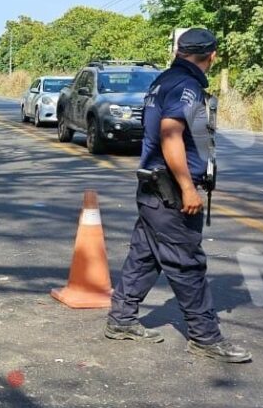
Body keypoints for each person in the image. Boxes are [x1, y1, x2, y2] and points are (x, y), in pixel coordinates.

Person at [104, 28, 251, 363]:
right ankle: (205, 337)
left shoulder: (163, 81)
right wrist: (187, 187)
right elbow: (171, 136)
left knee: (145, 255)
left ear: (179, 51)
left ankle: (121, 319)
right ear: (211, 56)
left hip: (153, 188)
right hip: (170, 191)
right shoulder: (186, 87)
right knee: (187, 263)